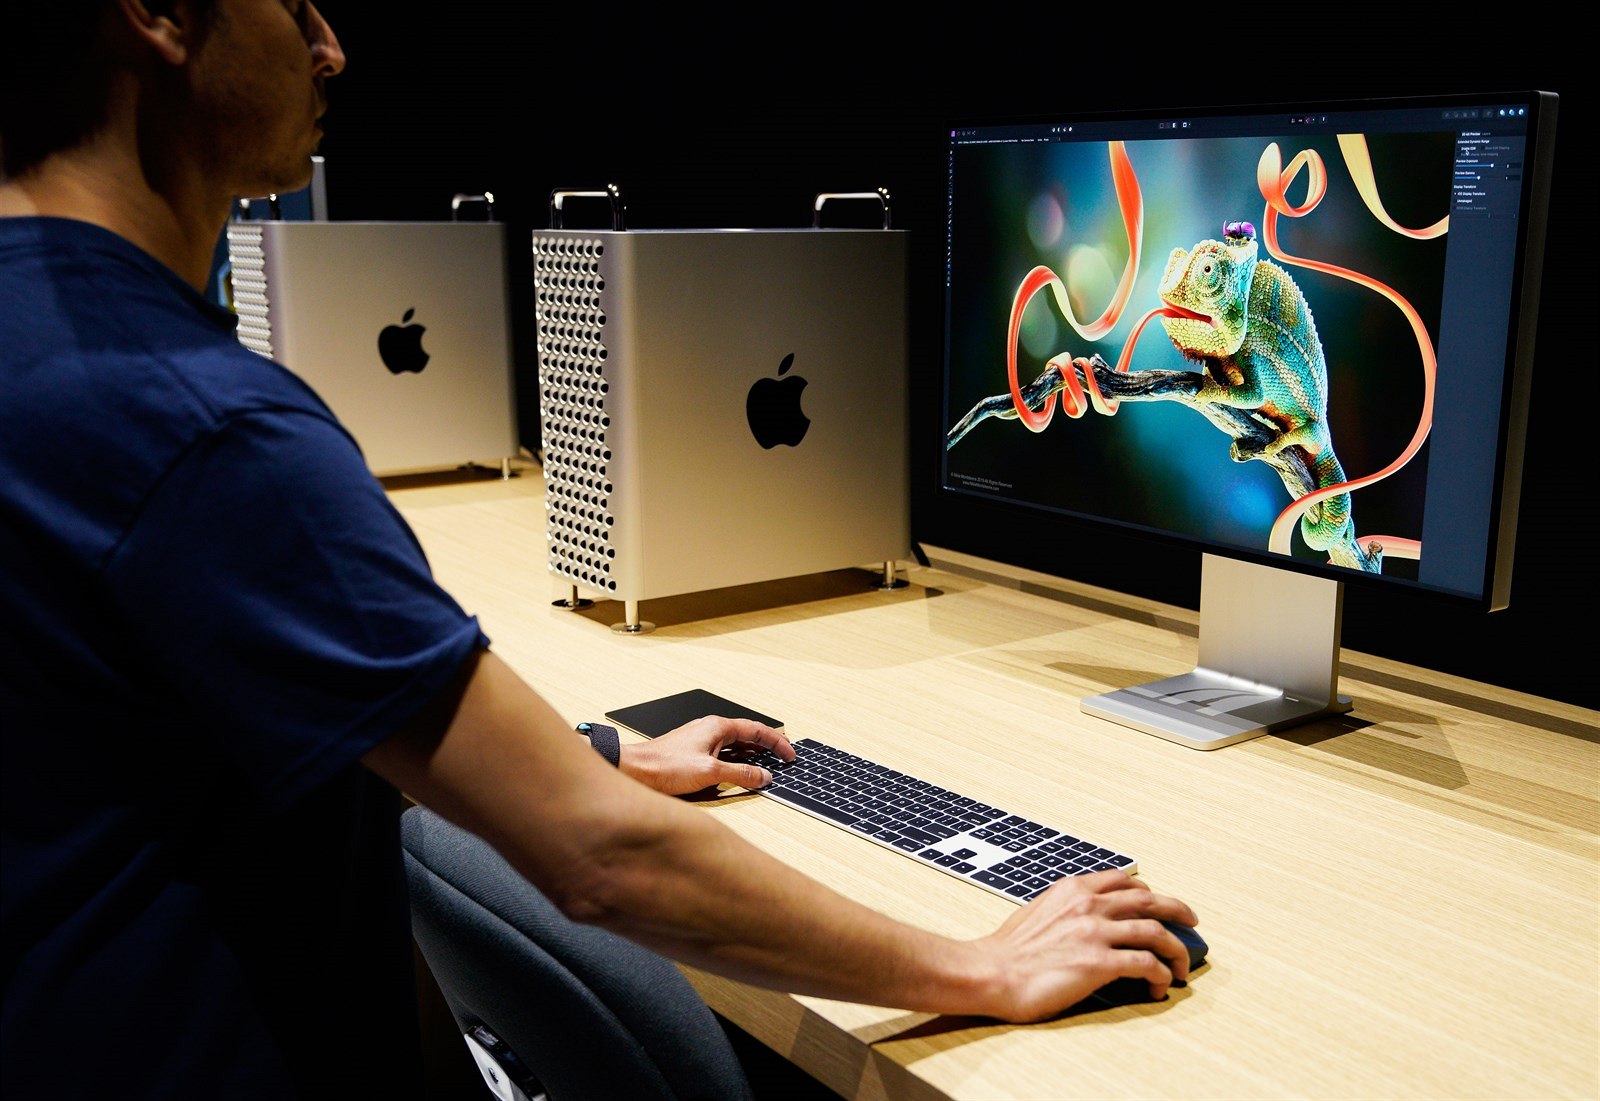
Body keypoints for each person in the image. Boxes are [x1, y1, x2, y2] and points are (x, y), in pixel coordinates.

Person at [0, 2, 1200, 1096]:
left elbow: (250, 699)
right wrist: (983, 964)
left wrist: (590, 754)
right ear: (159, 15)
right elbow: (604, 860)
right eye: (293, 5)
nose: (331, 48)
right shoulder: (194, 424)